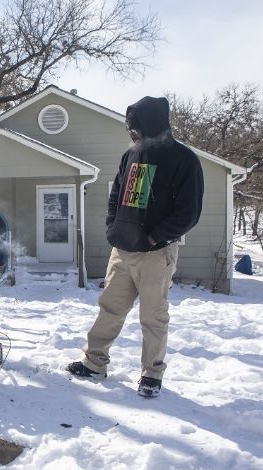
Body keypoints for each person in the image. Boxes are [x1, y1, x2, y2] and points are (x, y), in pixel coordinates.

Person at [67, 95, 204, 398]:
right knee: (110, 308)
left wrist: (155, 238)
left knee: (153, 315)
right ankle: (94, 363)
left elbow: (188, 213)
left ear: (151, 124)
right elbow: (116, 194)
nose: (131, 133)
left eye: (135, 127)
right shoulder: (131, 155)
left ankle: (152, 374)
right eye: (130, 128)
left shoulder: (183, 159)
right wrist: (112, 228)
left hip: (156, 253)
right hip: (123, 249)